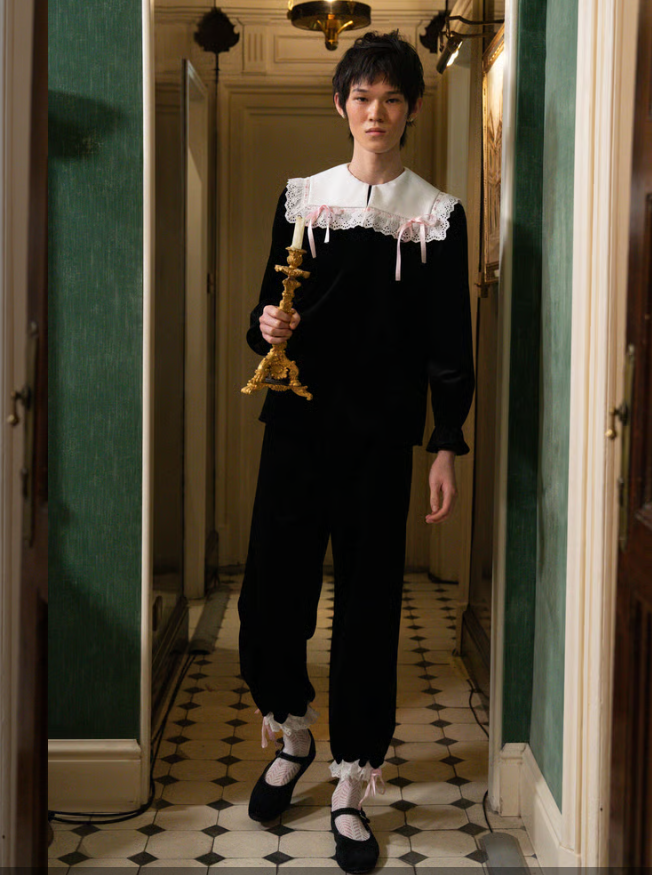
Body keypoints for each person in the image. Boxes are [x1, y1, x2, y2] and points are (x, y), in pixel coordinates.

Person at [237, 30, 475, 874]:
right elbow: (267, 312)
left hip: (380, 441)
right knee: (270, 596)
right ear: (341, 105)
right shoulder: (304, 199)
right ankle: (294, 734)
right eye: (363, 97)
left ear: (411, 109)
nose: (377, 112)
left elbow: (449, 341)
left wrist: (445, 443)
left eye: (392, 99)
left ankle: (349, 781)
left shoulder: (436, 214)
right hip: (297, 427)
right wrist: (265, 324)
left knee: (369, 609)